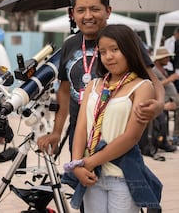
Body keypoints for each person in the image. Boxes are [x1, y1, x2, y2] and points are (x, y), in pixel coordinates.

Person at [37, 0, 164, 155]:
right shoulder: (70, 44)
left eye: (95, 9)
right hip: (80, 133)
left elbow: (153, 79)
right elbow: (64, 91)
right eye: (81, 10)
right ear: (72, 14)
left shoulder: (125, 39)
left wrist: (159, 105)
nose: (88, 16)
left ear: (108, 11)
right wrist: (57, 131)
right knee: (80, 177)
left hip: (117, 133)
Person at [67, 24, 162, 212]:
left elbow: (131, 137)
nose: (108, 56)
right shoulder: (93, 85)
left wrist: (88, 162)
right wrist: (77, 164)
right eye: (102, 52)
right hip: (92, 175)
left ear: (129, 50)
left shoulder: (142, 86)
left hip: (123, 176)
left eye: (115, 49)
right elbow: (81, 127)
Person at [151, 47, 178, 152]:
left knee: (166, 120)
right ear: (159, 59)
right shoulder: (154, 70)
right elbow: (155, 85)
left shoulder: (163, 70)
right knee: (162, 120)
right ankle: (163, 141)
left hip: (169, 98)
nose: (168, 59)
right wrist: (170, 79)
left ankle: (167, 139)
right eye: (166, 57)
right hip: (163, 100)